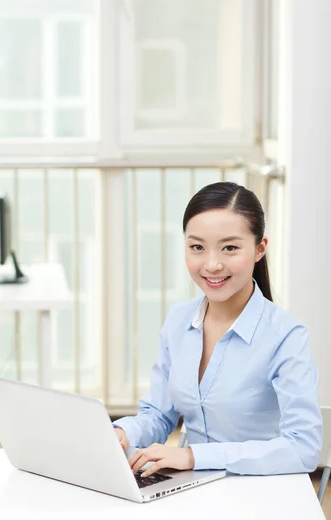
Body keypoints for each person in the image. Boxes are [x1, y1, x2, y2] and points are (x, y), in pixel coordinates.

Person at [113, 181, 322, 479]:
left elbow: (303, 449)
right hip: (195, 487)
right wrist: (123, 432)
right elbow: (159, 415)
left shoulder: (285, 336)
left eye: (230, 248)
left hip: (264, 490)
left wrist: (193, 456)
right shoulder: (178, 320)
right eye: (197, 247)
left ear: (259, 249)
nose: (212, 264)